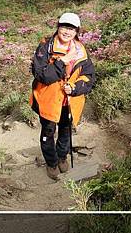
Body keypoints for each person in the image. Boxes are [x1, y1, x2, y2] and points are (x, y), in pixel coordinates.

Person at [29, 12, 95, 180]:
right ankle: (51, 163)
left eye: (72, 29)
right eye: (65, 27)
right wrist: (63, 61)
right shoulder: (45, 48)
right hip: (48, 101)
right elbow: (41, 75)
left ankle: (62, 157)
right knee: (48, 132)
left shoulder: (81, 51)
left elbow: (89, 76)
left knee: (65, 131)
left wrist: (74, 88)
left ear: (77, 32)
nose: (67, 32)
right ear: (58, 27)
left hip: (70, 101)